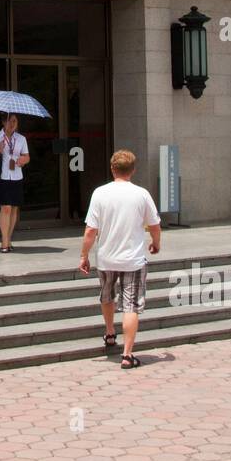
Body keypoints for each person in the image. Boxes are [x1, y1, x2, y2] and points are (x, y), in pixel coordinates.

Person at [77, 149, 161, 369]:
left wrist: (84, 255)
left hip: (106, 258)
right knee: (131, 306)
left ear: (112, 168)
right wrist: (155, 242)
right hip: (133, 260)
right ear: (133, 170)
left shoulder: (100, 193)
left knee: (107, 296)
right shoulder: (141, 194)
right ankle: (127, 354)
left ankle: (110, 332)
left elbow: (90, 231)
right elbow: (155, 225)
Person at [0, 113, 30, 252]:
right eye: (10, 121)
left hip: (16, 176)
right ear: (3, 122)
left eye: (15, 121)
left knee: (14, 208)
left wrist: (23, 160)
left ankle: (8, 239)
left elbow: (27, 156)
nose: (12, 124)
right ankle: (4, 242)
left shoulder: (21, 138)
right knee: (6, 208)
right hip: (2, 176)